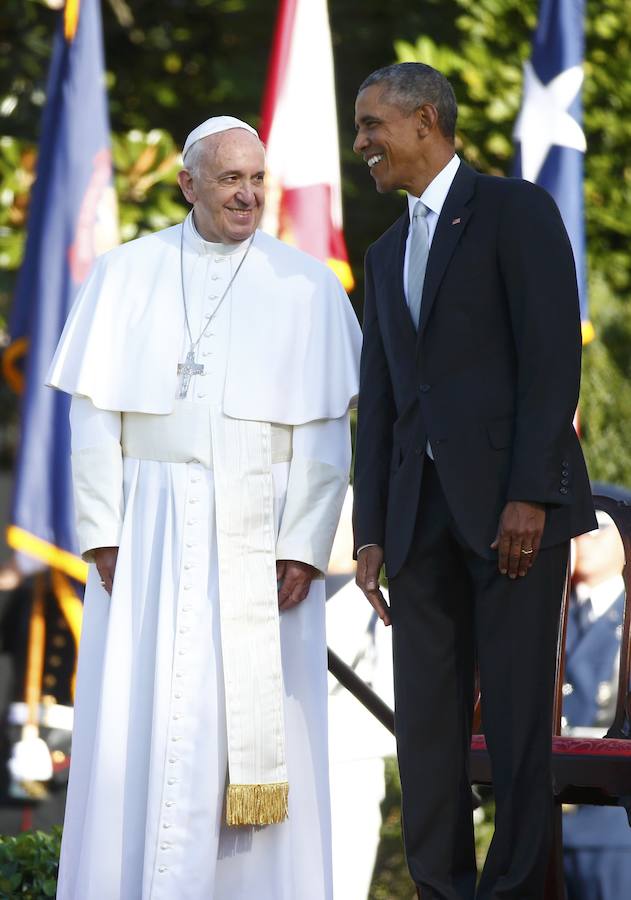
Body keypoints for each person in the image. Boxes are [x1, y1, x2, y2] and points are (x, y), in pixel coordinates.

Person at [46, 116, 361, 900]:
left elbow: (326, 434)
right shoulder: (126, 273)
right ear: (188, 184)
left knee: (259, 726)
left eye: (258, 179)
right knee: (140, 713)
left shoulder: (308, 285)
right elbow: (93, 417)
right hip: (149, 528)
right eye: (230, 179)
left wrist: (303, 542)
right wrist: (101, 529)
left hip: (264, 534)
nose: (248, 194)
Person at [351, 62, 596, 899]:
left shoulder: (513, 210)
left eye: (371, 126)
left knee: (522, 724)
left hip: (512, 517)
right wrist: (370, 532)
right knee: (424, 730)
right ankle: (441, 890)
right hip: (418, 527)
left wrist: (531, 492)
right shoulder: (384, 253)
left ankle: (517, 892)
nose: (361, 146)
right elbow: (380, 402)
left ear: (425, 121)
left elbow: (551, 359)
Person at [562, 510, 631, 898]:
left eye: (595, 528)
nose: (581, 538)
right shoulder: (549, 617)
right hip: (548, 824)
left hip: (614, 829)